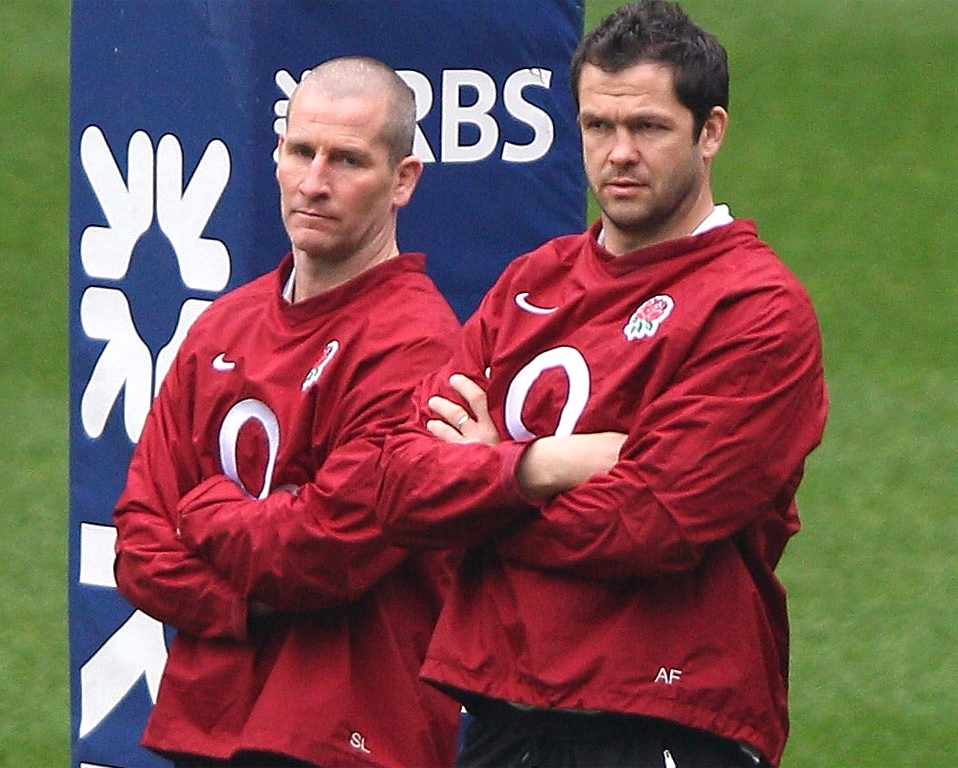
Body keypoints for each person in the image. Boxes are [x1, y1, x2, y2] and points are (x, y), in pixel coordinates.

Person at [376, 3, 829, 767]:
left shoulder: (755, 307)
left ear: (710, 131)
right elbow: (399, 483)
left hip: (662, 715)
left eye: (647, 128)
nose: (619, 153)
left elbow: (649, 524)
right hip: (503, 710)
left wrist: (483, 482)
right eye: (596, 127)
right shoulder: (532, 280)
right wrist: (543, 465)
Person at [112, 56, 462, 768]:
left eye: (347, 161)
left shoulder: (417, 345)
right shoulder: (222, 329)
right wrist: (243, 602)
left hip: (347, 733)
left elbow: (322, 552)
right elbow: (138, 546)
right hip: (207, 724)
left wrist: (201, 515)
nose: (313, 183)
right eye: (301, 151)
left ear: (403, 181)